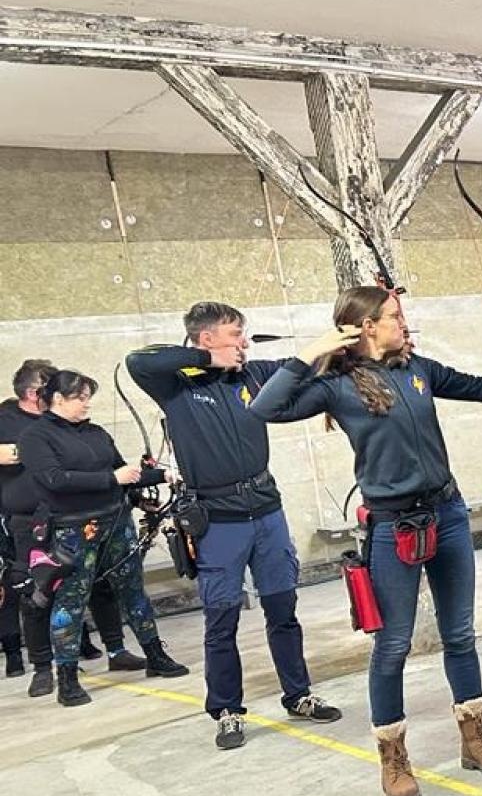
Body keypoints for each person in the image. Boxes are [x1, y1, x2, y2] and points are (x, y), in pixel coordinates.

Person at [249, 284, 482, 796]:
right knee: (393, 645)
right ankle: (394, 758)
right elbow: (266, 408)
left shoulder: (417, 369)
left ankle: (474, 737)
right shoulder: (334, 385)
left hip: (446, 514)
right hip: (392, 527)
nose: (403, 323)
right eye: (393, 316)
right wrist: (311, 351)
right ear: (365, 327)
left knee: (461, 633)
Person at [125, 302, 340, 752]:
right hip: (217, 522)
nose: (243, 342)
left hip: (266, 512)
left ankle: (297, 695)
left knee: (283, 610)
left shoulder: (254, 374)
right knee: (220, 621)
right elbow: (138, 361)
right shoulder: (174, 384)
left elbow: (304, 366)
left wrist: (345, 341)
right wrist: (208, 362)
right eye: (234, 334)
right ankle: (226, 709)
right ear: (206, 339)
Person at [18, 369, 190, 706]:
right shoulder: (36, 437)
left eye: (87, 397)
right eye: (79, 397)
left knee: (133, 591)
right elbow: (54, 479)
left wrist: (164, 475)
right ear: (57, 399)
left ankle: (155, 655)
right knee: (71, 600)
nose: (86, 404)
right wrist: (112, 477)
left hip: (116, 523)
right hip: (73, 530)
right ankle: (67, 678)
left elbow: (127, 473)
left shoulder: (95, 432)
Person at [3, 359, 147, 698]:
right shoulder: (11, 423)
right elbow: (51, 474)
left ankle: (116, 649)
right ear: (37, 393)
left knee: (101, 587)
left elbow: (106, 465)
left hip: (85, 517)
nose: (81, 400)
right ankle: (43, 668)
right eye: (70, 393)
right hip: (32, 520)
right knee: (38, 594)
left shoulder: (80, 430)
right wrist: (21, 451)